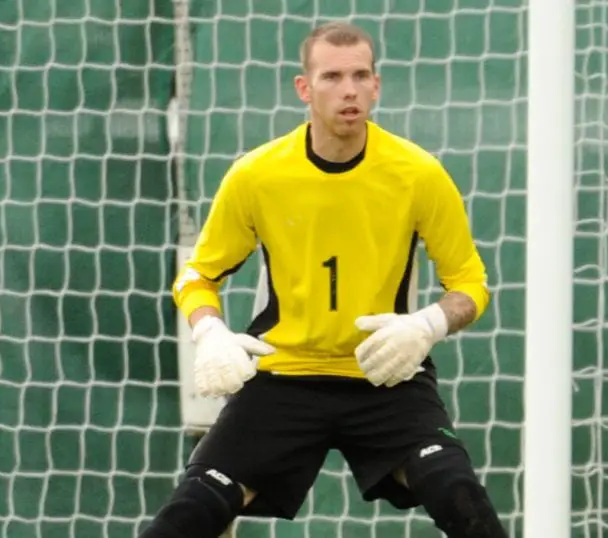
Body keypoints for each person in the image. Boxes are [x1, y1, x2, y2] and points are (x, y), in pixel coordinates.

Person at [139, 21, 508, 538]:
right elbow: (198, 275)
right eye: (332, 76)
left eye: (361, 75)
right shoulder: (257, 175)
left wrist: (426, 325)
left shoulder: (419, 174)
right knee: (188, 517)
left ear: (377, 85)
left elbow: (471, 283)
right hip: (282, 376)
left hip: (384, 375)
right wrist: (210, 333)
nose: (349, 89)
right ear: (304, 88)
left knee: (462, 500)